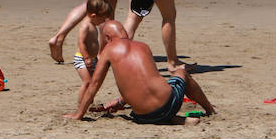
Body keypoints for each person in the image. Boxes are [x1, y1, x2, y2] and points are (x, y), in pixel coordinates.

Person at [64, 21, 215, 124]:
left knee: (154, 104)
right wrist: (120, 101)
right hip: (169, 103)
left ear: (108, 38)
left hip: (143, 116)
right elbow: (148, 81)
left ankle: (176, 120)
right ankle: (209, 110)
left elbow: (94, 85)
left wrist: (79, 114)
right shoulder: (143, 46)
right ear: (126, 34)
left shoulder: (108, 51)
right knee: (181, 73)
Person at [66, 0, 112, 101]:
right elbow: (81, 43)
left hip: (92, 59)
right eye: (102, 19)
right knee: (87, 82)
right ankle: (81, 103)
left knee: (92, 83)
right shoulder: (85, 26)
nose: (103, 22)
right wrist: (86, 58)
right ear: (93, 15)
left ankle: (88, 102)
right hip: (82, 59)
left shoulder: (93, 24)